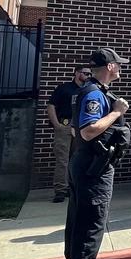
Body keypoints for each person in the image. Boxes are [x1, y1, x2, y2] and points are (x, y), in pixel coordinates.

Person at [63, 47, 130, 259]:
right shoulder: (94, 93)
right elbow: (88, 131)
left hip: (86, 163)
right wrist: (116, 112)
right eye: (118, 64)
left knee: (79, 224)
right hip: (93, 168)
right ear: (110, 67)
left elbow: (74, 131)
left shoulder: (90, 90)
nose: (121, 67)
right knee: (90, 226)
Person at [47, 65, 91, 202]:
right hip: (65, 125)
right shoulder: (64, 88)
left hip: (80, 126)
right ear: (77, 73)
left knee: (78, 159)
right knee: (62, 160)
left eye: (90, 74)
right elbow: (51, 105)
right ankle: (61, 190)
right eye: (85, 73)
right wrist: (56, 125)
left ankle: (74, 188)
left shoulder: (87, 90)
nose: (88, 76)